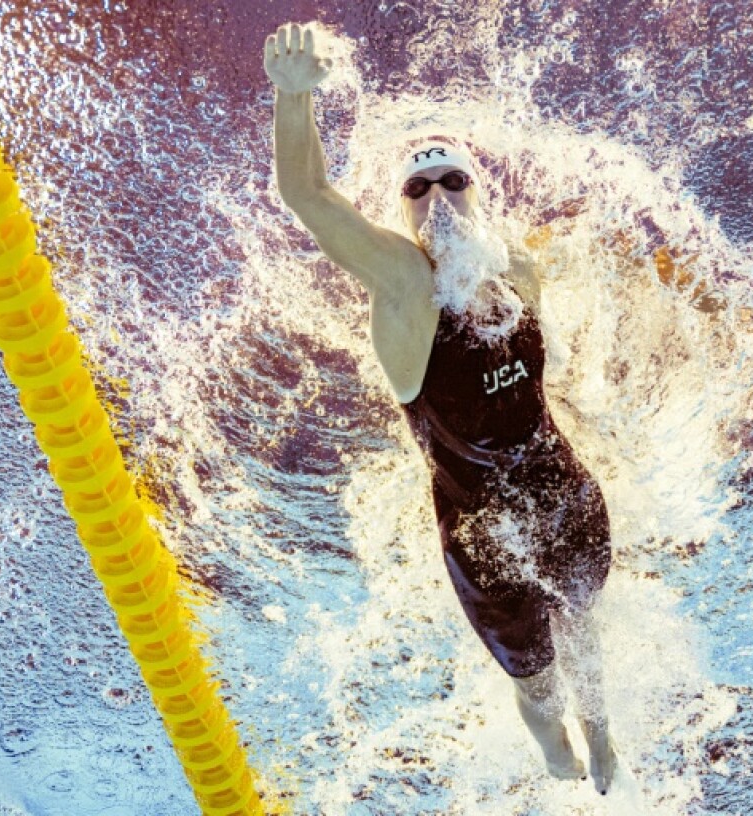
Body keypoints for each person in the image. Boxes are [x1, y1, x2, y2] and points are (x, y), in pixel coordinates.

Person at [264, 22, 618, 794]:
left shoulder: (514, 268)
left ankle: (600, 731)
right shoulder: (405, 287)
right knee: (538, 686)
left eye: (452, 181)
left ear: (477, 193)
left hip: (566, 495)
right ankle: (557, 752)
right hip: (482, 540)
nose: (437, 198)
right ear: (405, 212)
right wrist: (296, 99)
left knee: (587, 630)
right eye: (417, 189)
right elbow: (306, 195)